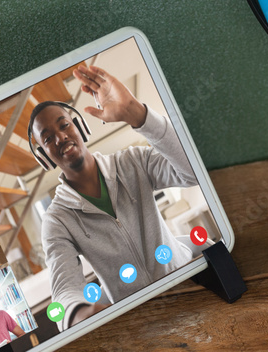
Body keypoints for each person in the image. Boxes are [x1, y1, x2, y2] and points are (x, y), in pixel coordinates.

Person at [30, 64, 196, 331]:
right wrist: (79, 314)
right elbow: (65, 289)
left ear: (80, 127)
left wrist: (137, 113)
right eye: (48, 138)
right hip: (140, 322)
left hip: (190, 288)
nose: (60, 137)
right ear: (44, 156)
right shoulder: (57, 221)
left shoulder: (133, 161)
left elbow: (192, 171)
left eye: (64, 125)